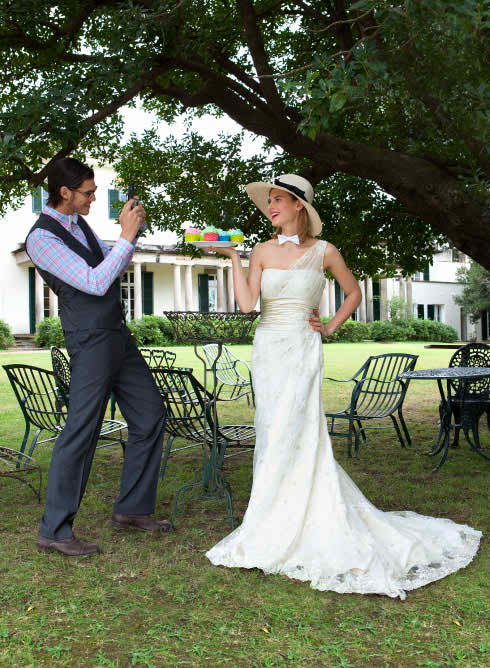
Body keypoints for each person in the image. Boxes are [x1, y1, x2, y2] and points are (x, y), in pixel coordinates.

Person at [204, 174, 481, 599]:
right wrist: (233, 259)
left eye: (278, 200)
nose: (270, 207)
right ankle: (268, 521)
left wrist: (330, 326)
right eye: (269, 201)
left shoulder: (325, 251)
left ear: (299, 205)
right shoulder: (260, 250)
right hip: (268, 348)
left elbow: (353, 293)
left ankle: (306, 514)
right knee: (272, 430)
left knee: (299, 429)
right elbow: (245, 305)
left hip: (303, 346)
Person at [26, 157, 170, 557]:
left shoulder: (80, 225)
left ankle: (132, 508)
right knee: (82, 429)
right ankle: (54, 530)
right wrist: (125, 235)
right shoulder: (42, 239)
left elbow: (111, 263)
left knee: (150, 414)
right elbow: (95, 281)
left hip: (116, 335)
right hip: (89, 340)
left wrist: (131, 236)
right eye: (88, 193)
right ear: (64, 192)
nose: (93, 198)